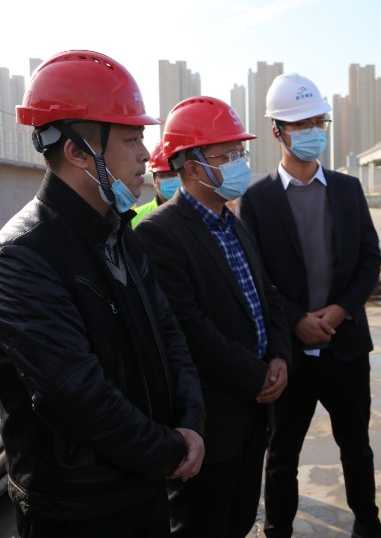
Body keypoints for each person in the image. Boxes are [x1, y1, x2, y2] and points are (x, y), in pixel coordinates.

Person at [0, 50, 205, 538]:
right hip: (80, 508)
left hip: (145, 484)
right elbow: (75, 396)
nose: (146, 155)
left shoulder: (118, 232)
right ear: (77, 152)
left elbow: (169, 333)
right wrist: (171, 450)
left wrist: (192, 421)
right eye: (132, 139)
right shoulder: (21, 257)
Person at [237, 73, 381, 538]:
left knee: (356, 445)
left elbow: (370, 259)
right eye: (301, 124)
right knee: (283, 451)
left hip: (346, 346)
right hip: (290, 351)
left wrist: (342, 310)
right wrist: (295, 320)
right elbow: (257, 278)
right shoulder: (257, 199)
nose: (313, 132)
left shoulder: (347, 189)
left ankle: (367, 523)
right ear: (277, 131)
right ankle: (278, 529)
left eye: (318, 122)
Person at [133, 96, 292, 538]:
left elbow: (268, 297)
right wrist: (256, 375)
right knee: (203, 525)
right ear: (192, 168)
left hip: (254, 416)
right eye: (228, 155)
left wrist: (280, 356)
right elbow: (188, 328)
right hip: (210, 421)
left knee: (239, 520)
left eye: (241, 153)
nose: (241, 163)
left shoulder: (235, 223)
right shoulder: (159, 234)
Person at [131, 142, 180, 226]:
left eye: (178, 174)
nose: (174, 179)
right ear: (154, 180)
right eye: (167, 174)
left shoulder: (200, 213)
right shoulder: (134, 218)